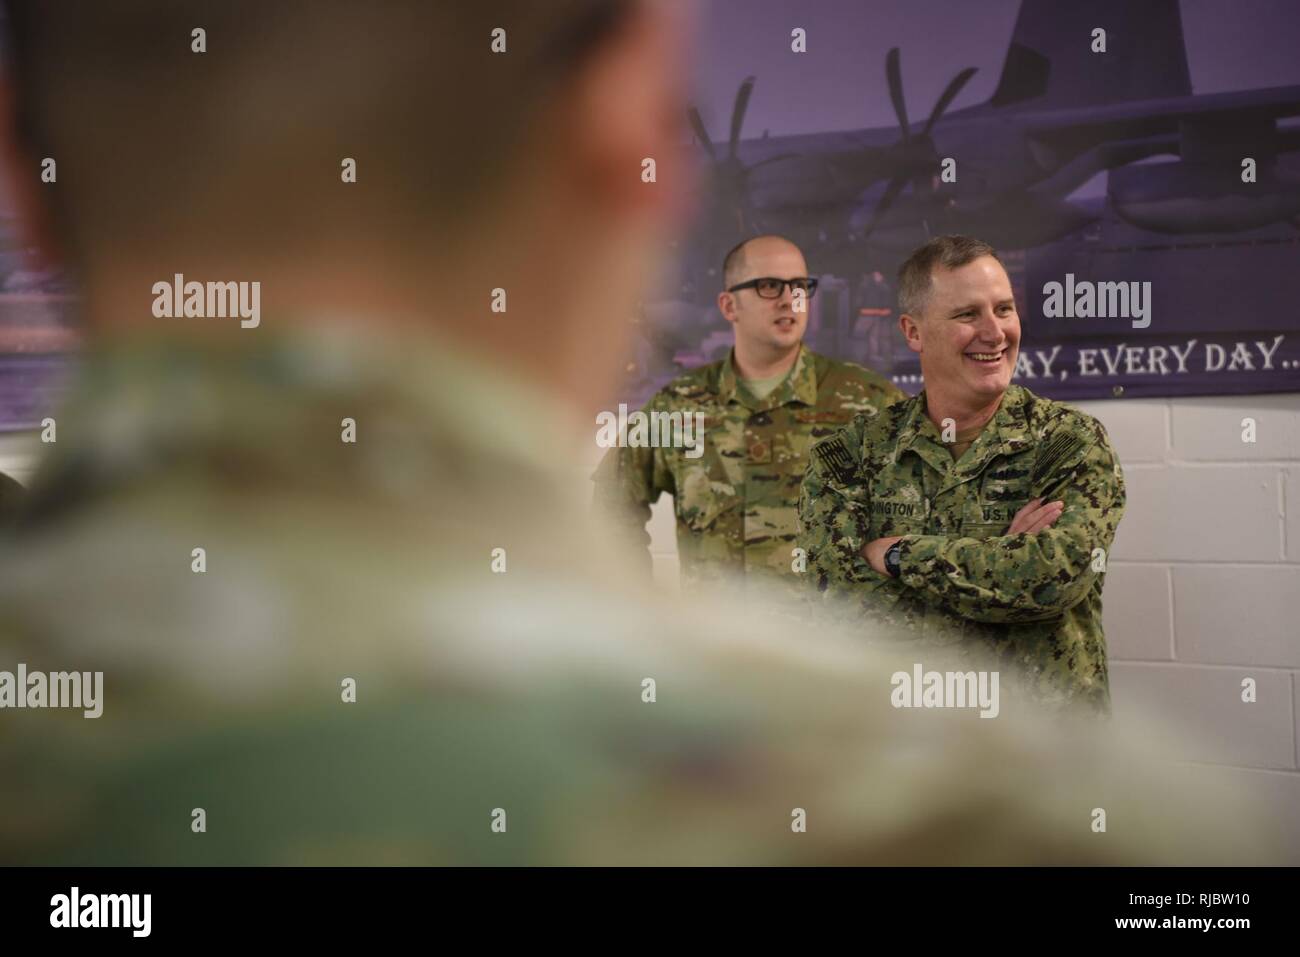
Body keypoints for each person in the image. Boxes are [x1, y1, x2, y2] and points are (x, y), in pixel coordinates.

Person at [0, 1, 1274, 865]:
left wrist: (897, 566)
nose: (787, 301)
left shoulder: (879, 427)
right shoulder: (1016, 816)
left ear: (26, 177)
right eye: (761, 285)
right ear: (632, 134)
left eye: (797, 285)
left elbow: (912, 563)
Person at [799, 235, 1124, 712]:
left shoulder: (1068, 443)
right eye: (967, 314)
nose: (994, 333)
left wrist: (897, 556)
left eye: (1005, 309)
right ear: (913, 332)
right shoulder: (850, 457)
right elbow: (838, 615)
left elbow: (1050, 580)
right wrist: (1001, 566)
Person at [592, 235, 901, 598]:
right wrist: (645, 611)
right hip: (713, 647)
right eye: (769, 286)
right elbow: (611, 507)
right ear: (729, 305)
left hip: (828, 648)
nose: (789, 299)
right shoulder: (679, 405)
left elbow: (919, 522)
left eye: (800, 286)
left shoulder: (869, 402)